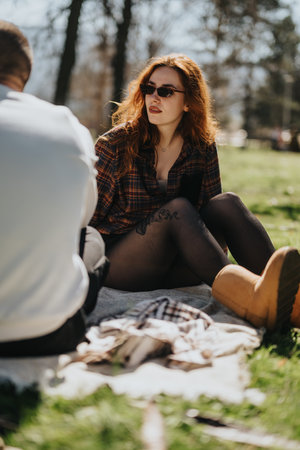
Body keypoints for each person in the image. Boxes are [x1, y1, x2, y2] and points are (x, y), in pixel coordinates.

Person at [90, 53, 300, 331]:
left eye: (165, 91)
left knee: (226, 203)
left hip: (176, 266)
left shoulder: (200, 147)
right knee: (178, 210)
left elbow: (209, 218)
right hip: (122, 266)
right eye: (148, 88)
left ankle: (295, 302)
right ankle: (251, 300)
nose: (154, 97)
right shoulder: (114, 145)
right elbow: (88, 221)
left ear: (189, 102)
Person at [0, 20, 109, 357]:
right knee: (92, 238)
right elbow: (82, 217)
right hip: (44, 332)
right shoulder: (67, 125)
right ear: (26, 75)